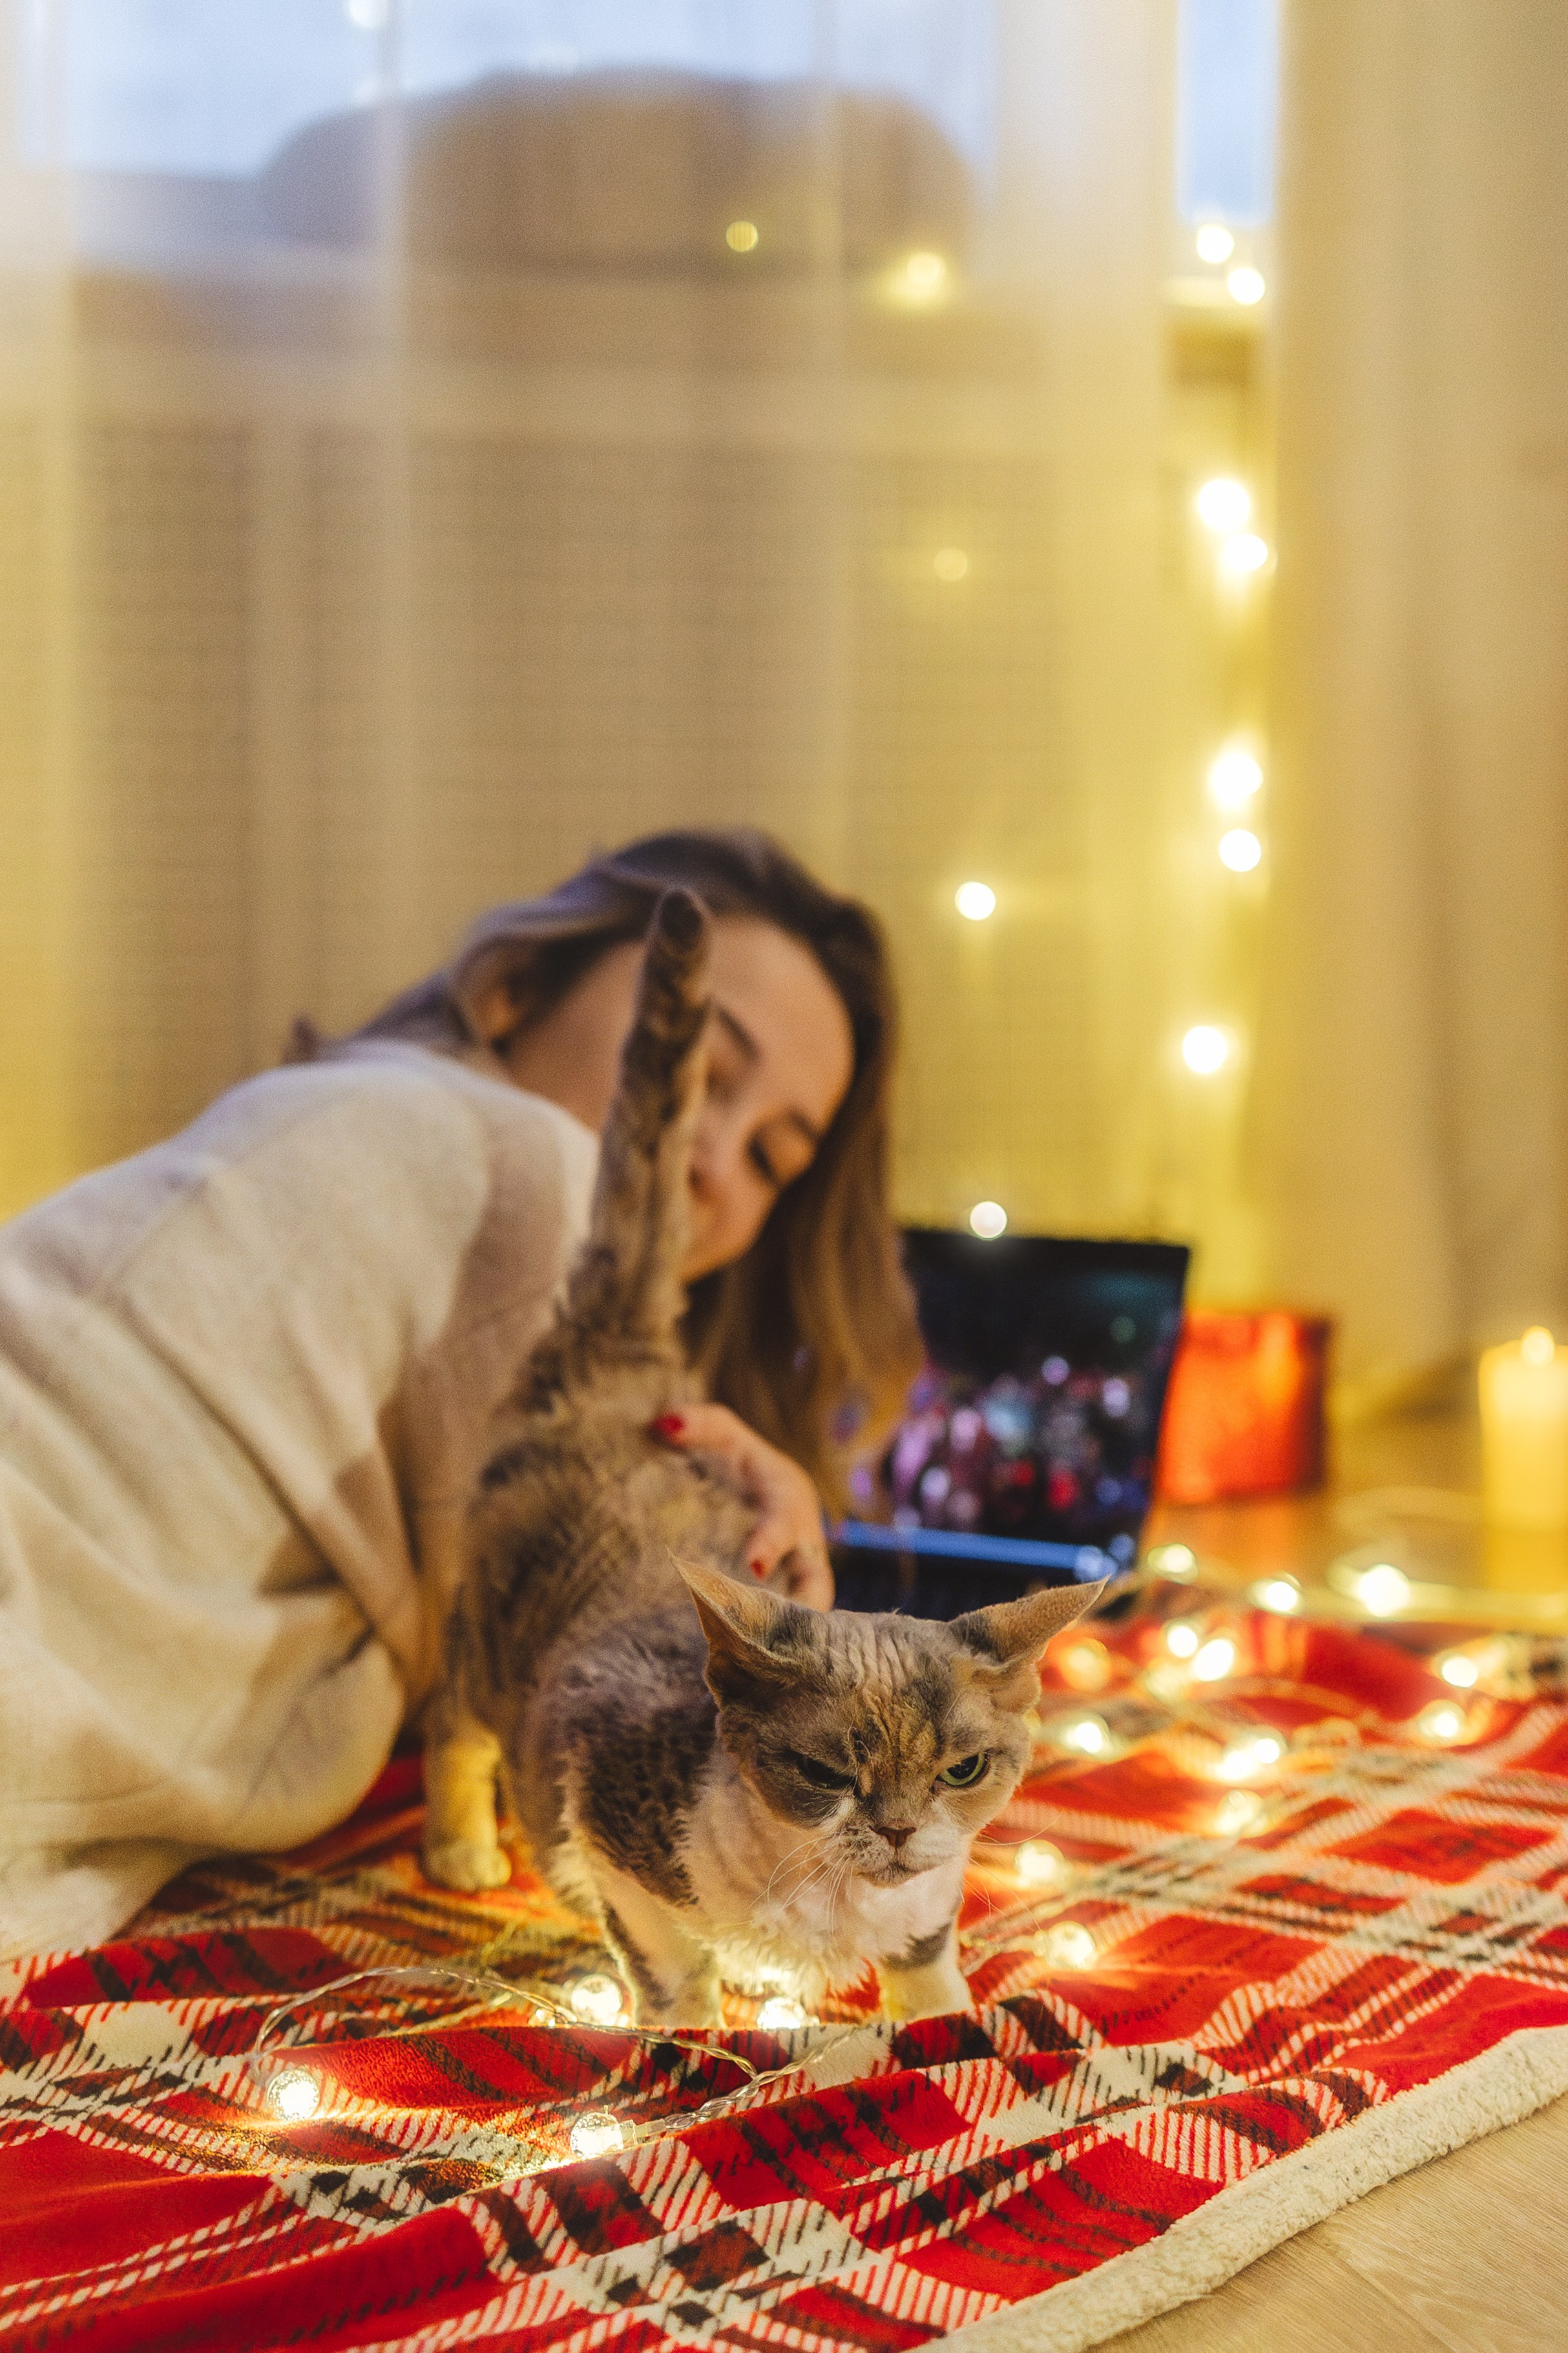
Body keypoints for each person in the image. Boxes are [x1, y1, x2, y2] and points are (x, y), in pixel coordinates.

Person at [0, 828, 920, 1961]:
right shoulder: (520, 1162)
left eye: (776, 1157)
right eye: (689, 1067)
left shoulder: (340, 1111)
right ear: (509, 991)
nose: (714, 1154)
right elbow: (648, 1715)